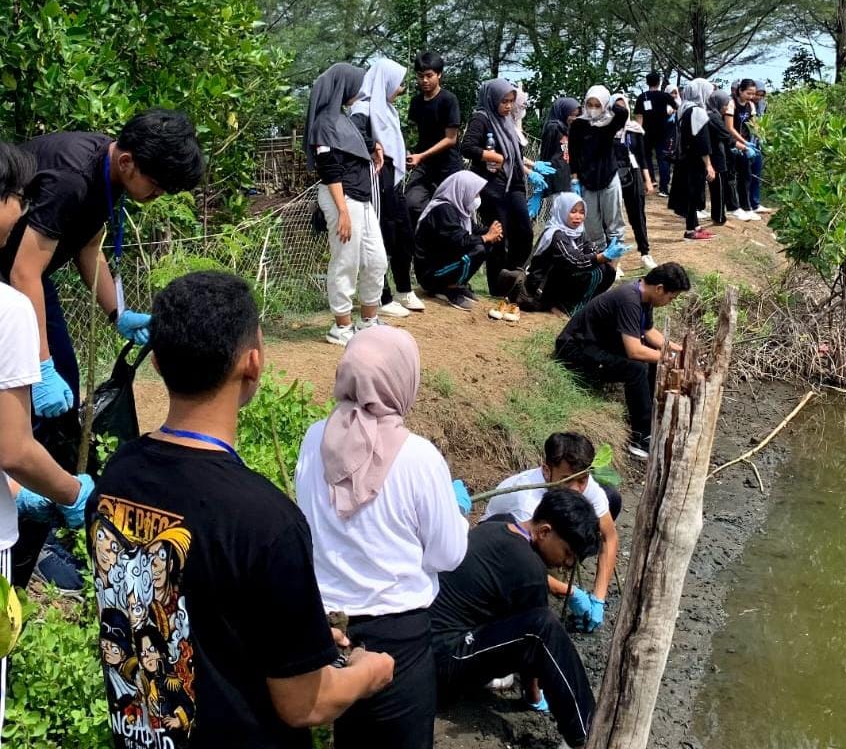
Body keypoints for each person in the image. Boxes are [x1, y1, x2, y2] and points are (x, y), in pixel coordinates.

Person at [85, 271, 394, 749]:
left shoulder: (116, 478)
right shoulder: (266, 521)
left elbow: (190, 608)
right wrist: (368, 671)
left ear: (160, 363)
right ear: (253, 363)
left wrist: (298, 642)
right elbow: (304, 704)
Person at [0, 110, 203, 589]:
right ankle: (25, 506)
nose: (157, 197)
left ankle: (40, 493)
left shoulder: (106, 175)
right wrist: (40, 364)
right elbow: (23, 274)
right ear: (130, 162)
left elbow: (87, 249)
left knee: (63, 397)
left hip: (28, 278)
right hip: (12, 279)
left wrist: (119, 315)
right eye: (157, 185)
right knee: (28, 400)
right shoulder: (73, 177)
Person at [295, 325, 469, 749]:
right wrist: (457, 513)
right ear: (402, 379)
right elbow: (448, 554)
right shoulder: (418, 457)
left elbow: (308, 522)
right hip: (397, 638)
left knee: (348, 739)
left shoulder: (316, 437)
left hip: (325, 631)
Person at [0, 140, 93, 735]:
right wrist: (66, 489)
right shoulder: (9, 311)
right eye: (14, 197)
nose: (20, 214)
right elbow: (12, 445)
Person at [430, 490, 599, 749]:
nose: (566, 564)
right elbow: (535, 648)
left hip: (434, 644)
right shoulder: (528, 566)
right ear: (544, 531)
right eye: (567, 553)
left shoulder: (499, 523)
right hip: (444, 659)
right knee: (542, 628)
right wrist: (532, 695)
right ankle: (585, 733)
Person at [480, 432, 620, 632]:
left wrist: (598, 598)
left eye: (582, 480)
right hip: (503, 548)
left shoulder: (582, 484)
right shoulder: (526, 501)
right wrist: (571, 592)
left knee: (612, 499)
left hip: (544, 539)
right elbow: (518, 564)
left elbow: (609, 537)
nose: (576, 489)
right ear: (547, 470)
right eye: (566, 480)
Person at [554, 262, 690, 460]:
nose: (670, 301)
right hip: (575, 350)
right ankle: (641, 436)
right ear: (660, 288)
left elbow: (648, 331)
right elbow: (634, 351)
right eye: (671, 297)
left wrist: (678, 351)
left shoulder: (644, 297)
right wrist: (670, 358)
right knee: (635, 368)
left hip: (598, 344)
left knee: (652, 355)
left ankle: (652, 413)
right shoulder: (629, 299)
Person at [305, 62, 388, 347]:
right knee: (346, 261)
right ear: (344, 86)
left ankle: (368, 320)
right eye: (357, 85)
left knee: (376, 259)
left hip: (361, 200)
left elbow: (357, 145)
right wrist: (342, 212)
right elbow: (330, 170)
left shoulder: (343, 120)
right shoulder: (324, 124)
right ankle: (341, 326)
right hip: (344, 200)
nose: (360, 91)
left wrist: (374, 146)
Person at [349, 58, 425, 318]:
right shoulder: (364, 105)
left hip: (392, 180)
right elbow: (355, 132)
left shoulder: (386, 108)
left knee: (404, 234)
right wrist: (374, 146)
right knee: (380, 238)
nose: (401, 89)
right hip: (375, 181)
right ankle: (381, 296)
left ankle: (404, 289)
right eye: (399, 84)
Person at [461, 78, 532, 298]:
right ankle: (497, 286)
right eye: (504, 101)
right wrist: (489, 155)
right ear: (492, 100)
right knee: (498, 237)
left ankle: (514, 274)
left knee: (524, 231)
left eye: (511, 101)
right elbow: (467, 147)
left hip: (513, 184)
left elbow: (515, 153)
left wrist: (530, 168)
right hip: (491, 187)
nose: (508, 106)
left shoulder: (507, 122)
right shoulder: (481, 119)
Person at [518, 193, 623, 314]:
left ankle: (583, 304)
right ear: (562, 211)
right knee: (589, 273)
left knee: (608, 271)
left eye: (581, 212)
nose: (578, 216)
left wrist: (607, 256)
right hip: (541, 286)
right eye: (573, 211)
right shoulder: (556, 234)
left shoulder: (578, 231)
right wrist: (602, 256)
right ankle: (559, 305)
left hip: (562, 276)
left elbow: (590, 250)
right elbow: (575, 261)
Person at [413, 171, 503, 311]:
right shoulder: (443, 209)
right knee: (478, 248)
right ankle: (448, 288)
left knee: (485, 244)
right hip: (430, 275)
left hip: (442, 266)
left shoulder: (458, 210)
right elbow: (459, 241)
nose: (477, 198)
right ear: (463, 190)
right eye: (475, 194)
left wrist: (492, 232)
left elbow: (473, 231)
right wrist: (486, 237)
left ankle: (456, 285)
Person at [568, 86, 628, 258]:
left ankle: (615, 260)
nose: (593, 108)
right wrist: (575, 180)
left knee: (614, 222)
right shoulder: (579, 125)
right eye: (590, 104)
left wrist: (611, 104)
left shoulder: (610, 123)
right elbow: (573, 153)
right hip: (587, 181)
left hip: (608, 177)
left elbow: (623, 114)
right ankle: (601, 258)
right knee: (592, 224)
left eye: (597, 105)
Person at [405, 52, 463, 227]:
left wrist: (421, 155)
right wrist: (409, 151)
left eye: (429, 76)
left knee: (451, 211)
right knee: (411, 203)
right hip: (423, 166)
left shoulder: (448, 100)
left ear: (439, 74)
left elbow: (451, 139)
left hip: (448, 165)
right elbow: (414, 133)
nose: (424, 80)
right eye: (420, 76)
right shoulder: (416, 102)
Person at [610, 93, 657, 269]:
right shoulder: (606, 129)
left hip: (633, 172)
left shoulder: (635, 129)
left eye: (624, 106)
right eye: (617, 107)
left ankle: (645, 253)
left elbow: (642, 156)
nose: (621, 110)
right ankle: (615, 259)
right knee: (614, 217)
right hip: (612, 175)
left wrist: (647, 179)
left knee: (638, 214)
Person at [668, 78, 717, 241]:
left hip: (685, 158)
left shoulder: (684, 108)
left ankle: (695, 225)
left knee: (691, 192)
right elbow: (702, 140)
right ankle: (690, 230)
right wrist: (708, 164)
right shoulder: (697, 111)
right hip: (693, 160)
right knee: (692, 194)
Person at [705, 90, 747, 226]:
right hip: (716, 157)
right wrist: (744, 147)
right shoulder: (713, 117)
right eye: (724, 106)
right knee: (719, 189)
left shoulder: (712, 115)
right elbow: (726, 136)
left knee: (717, 188)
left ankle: (719, 217)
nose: (725, 109)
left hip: (715, 154)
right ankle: (719, 218)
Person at [633, 72, 679, 196]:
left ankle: (651, 180)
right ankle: (664, 188)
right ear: (659, 82)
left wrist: (638, 132)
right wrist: (668, 112)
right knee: (662, 159)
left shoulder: (642, 97)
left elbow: (639, 116)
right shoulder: (665, 96)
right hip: (663, 131)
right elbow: (676, 107)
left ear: (647, 83)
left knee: (646, 157)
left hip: (646, 132)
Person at [724, 79, 761, 221]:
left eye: (753, 93)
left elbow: (754, 124)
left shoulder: (751, 105)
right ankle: (733, 207)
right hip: (732, 143)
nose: (751, 96)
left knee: (746, 174)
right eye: (748, 93)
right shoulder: (731, 103)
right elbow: (729, 127)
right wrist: (744, 142)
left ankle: (746, 207)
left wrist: (758, 137)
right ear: (740, 90)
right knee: (731, 175)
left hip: (745, 145)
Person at [538, 97, 580, 196]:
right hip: (557, 179)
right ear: (563, 113)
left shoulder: (568, 129)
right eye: (571, 115)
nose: (574, 118)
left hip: (568, 178)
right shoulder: (553, 127)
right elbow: (545, 153)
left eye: (576, 115)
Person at [749, 80, 770, 214]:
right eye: (757, 94)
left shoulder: (763, 105)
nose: (759, 97)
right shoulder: (746, 105)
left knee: (756, 174)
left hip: (758, 142)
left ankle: (755, 203)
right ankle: (743, 203)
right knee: (745, 175)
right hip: (746, 142)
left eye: (762, 95)